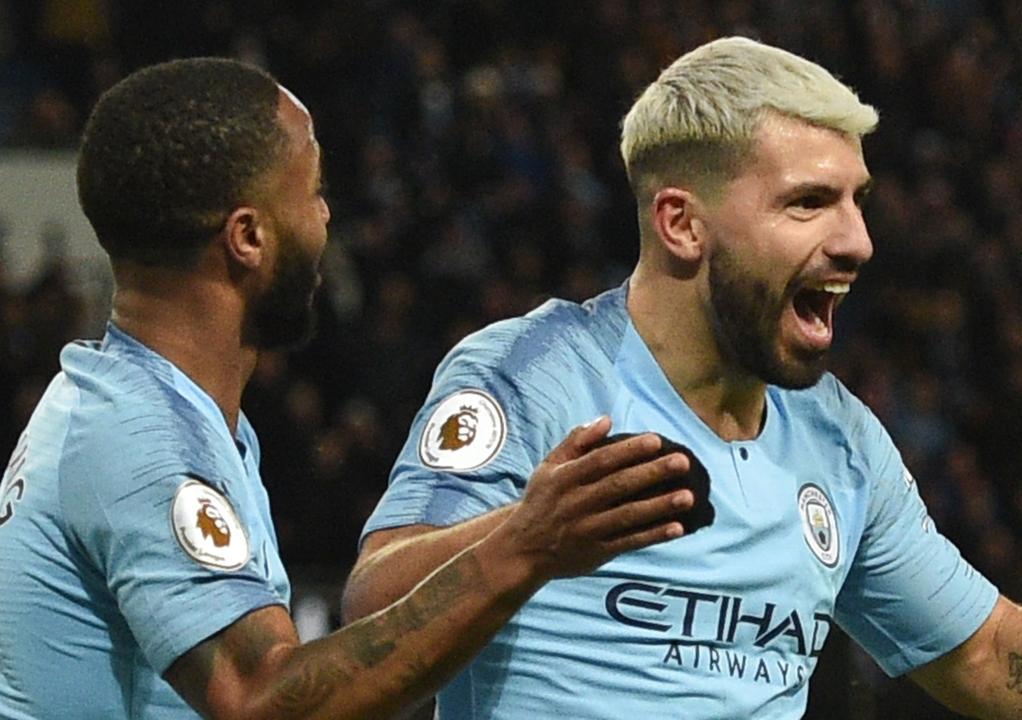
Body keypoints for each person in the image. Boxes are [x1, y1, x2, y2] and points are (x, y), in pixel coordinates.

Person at [343, 36, 1022, 719]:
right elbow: (371, 606)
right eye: (808, 203)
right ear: (681, 224)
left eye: (857, 201)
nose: (857, 240)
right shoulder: (536, 375)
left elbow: (987, 652)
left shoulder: (840, 440)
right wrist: (529, 538)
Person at [0, 57, 695, 720]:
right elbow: (264, 700)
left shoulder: (160, 412)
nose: (327, 217)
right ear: (247, 237)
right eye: (314, 192)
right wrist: (526, 544)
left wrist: (527, 526)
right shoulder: (142, 434)